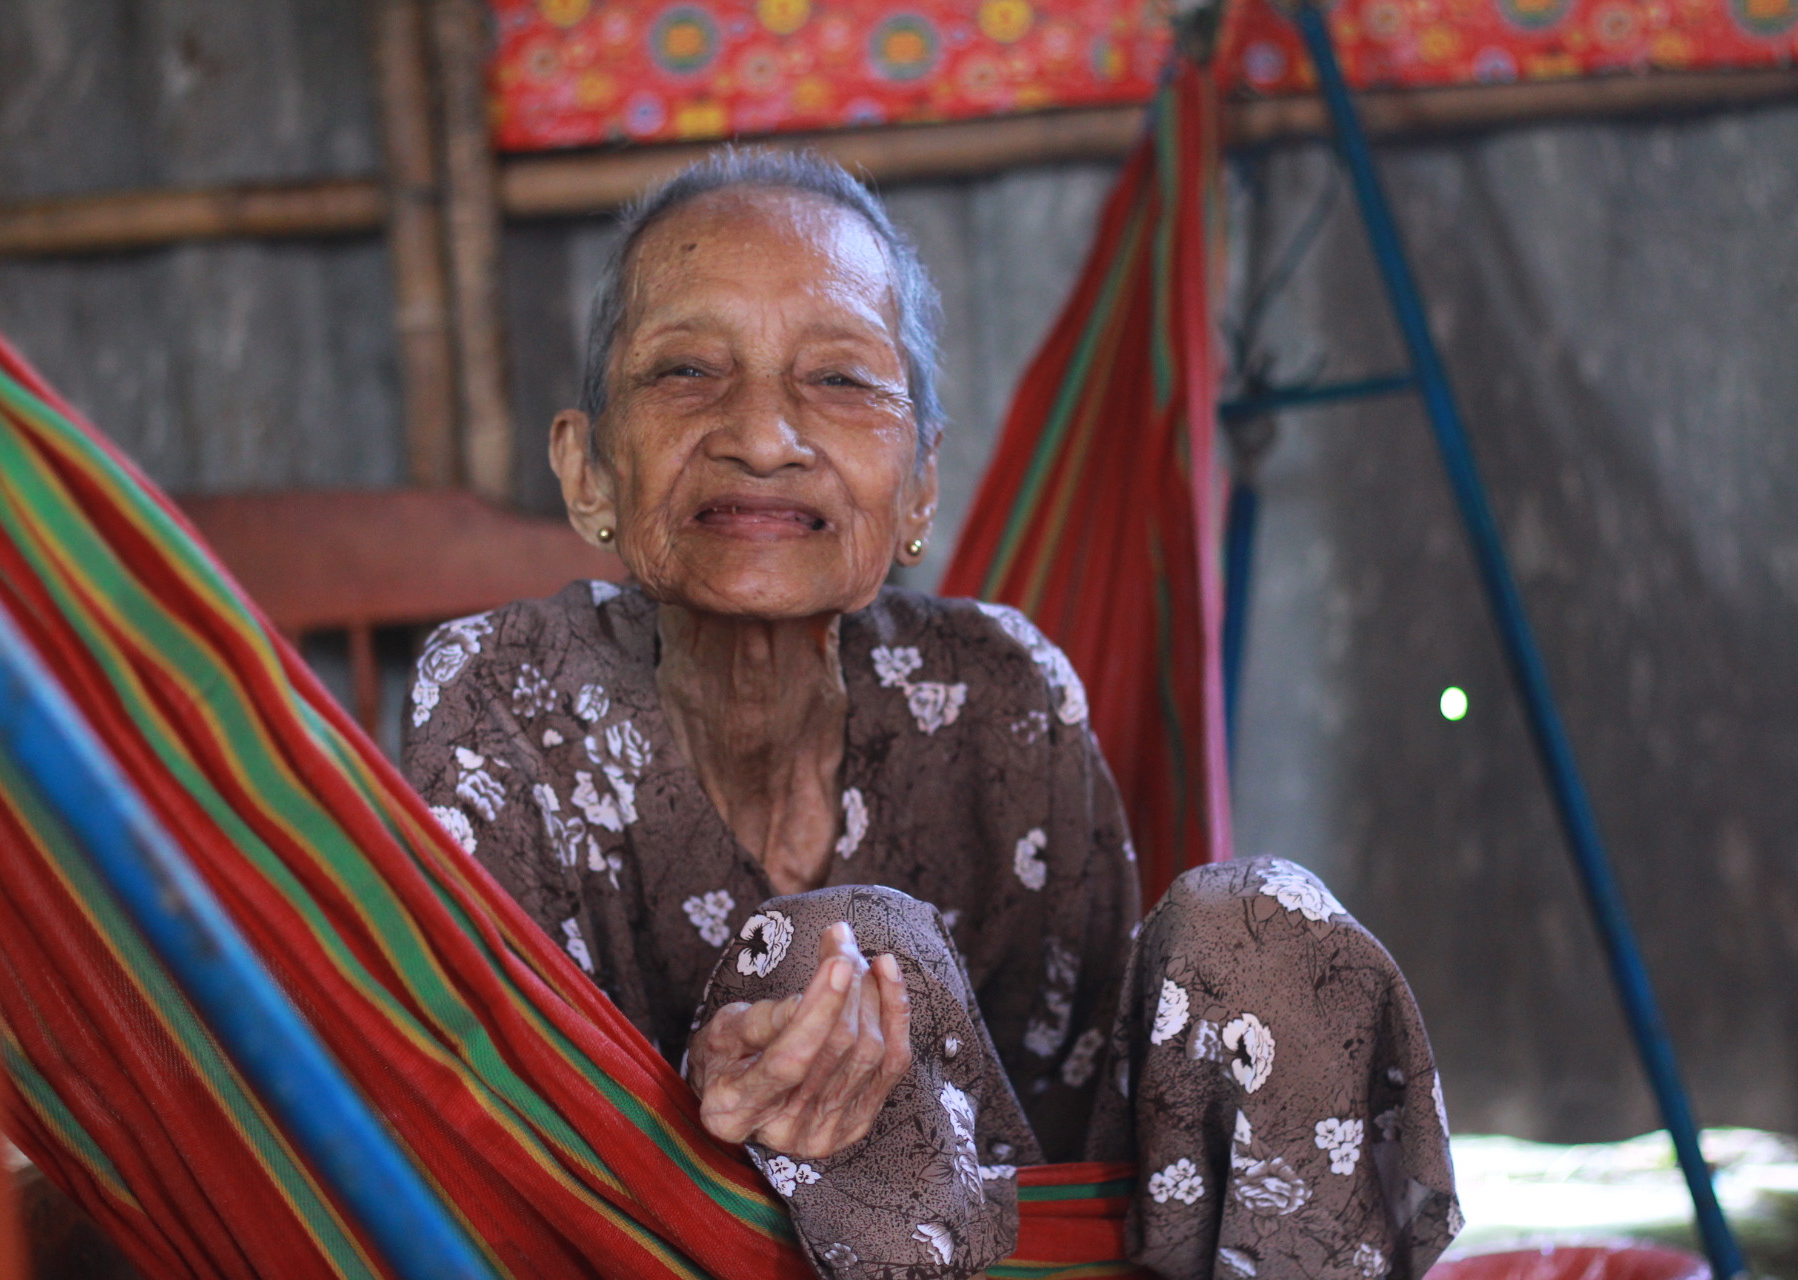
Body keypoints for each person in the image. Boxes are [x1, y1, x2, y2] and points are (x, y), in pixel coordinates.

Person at [404, 148, 1458, 1280]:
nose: (764, 436)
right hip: (651, 1250)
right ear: (589, 473)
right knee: (840, 950)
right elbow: (478, 1131)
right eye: (685, 372)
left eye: (842, 380)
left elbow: (1089, 1109)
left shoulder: (1002, 691)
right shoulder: (502, 697)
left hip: (1050, 1245)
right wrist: (691, 1110)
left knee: (1266, 921)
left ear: (919, 484)